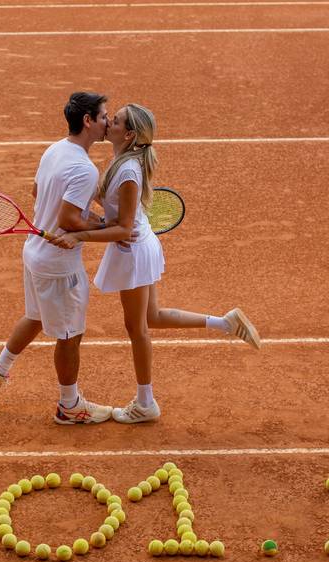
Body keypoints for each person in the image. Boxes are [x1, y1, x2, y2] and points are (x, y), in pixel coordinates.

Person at [50, 104, 261, 424]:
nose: (109, 123)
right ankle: (225, 323)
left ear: (130, 134)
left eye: (116, 121)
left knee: (137, 328)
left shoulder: (129, 171)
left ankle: (145, 402)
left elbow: (122, 229)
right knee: (153, 316)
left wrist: (79, 237)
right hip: (139, 246)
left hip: (133, 251)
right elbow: (107, 204)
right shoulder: (122, 162)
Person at [0, 91, 121, 424]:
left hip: (33, 253)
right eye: (103, 116)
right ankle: (69, 405)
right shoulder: (85, 169)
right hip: (58, 266)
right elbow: (70, 220)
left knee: (37, 316)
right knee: (70, 335)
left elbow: (36, 193)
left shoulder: (55, 149)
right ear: (87, 121)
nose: (106, 122)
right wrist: (106, 224)